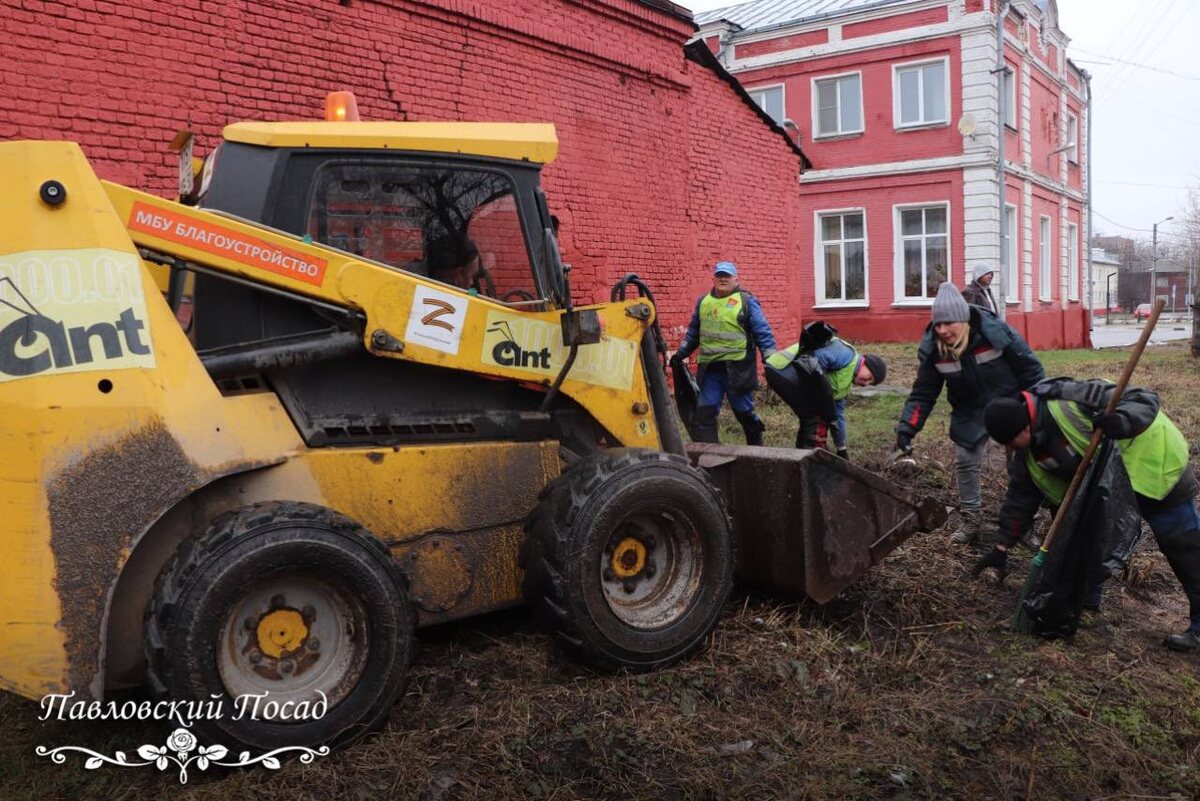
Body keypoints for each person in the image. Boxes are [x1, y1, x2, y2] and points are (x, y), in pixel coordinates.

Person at [975, 379, 1200, 651]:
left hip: (1154, 472)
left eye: (1011, 442)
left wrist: (1122, 421)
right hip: (1107, 491)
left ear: (1024, 426)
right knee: (1083, 541)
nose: (1011, 450)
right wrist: (1001, 547)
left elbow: (1144, 398)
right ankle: (1087, 602)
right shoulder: (1027, 453)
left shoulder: (1070, 398)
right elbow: (1020, 498)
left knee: (1186, 550)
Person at [895, 282, 1045, 544]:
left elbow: (1031, 369)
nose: (942, 330)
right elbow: (924, 393)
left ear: (963, 320)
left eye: (948, 323)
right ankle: (971, 521)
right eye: (938, 325)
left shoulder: (995, 332)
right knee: (965, 460)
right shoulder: (935, 349)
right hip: (969, 410)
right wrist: (908, 427)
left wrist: (1035, 409)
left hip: (1010, 404)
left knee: (1021, 466)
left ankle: (1023, 526)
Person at [670, 261, 776, 445]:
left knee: (744, 411)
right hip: (711, 370)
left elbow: (762, 331)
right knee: (705, 412)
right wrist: (681, 353)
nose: (722, 279)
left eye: (727, 276)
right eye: (719, 276)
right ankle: (710, 455)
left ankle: (757, 449)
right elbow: (694, 331)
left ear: (736, 279)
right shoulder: (704, 302)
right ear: (713, 279)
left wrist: (770, 357)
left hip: (738, 369)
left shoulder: (746, 301)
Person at [765, 332, 887, 459]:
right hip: (782, 369)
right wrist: (823, 393)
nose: (866, 384)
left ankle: (802, 456)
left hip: (784, 373)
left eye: (870, 384)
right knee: (816, 417)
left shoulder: (844, 384)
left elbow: (837, 416)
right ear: (866, 364)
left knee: (811, 417)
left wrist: (841, 448)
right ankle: (813, 457)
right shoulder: (846, 354)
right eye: (869, 378)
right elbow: (810, 361)